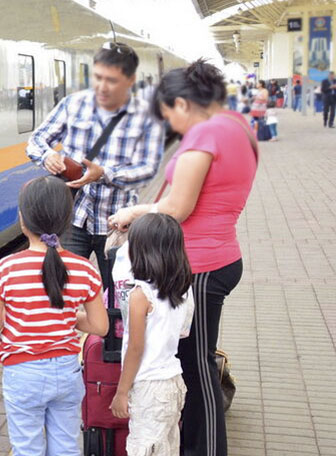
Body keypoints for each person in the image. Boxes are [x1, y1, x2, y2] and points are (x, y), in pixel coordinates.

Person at [110, 59, 258, 456]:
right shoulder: (236, 125)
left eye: (169, 114)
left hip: (204, 264)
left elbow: (177, 208)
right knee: (196, 364)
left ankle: (207, 449)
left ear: (184, 103)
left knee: (198, 369)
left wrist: (133, 214)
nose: (171, 126)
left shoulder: (206, 134)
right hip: (213, 256)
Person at [0, 175, 109, 456]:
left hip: (23, 373)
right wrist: (70, 317)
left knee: (27, 449)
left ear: (22, 219)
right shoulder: (84, 269)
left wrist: (22, 314)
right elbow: (100, 326)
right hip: (66, 372)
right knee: (65, 447)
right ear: (68, 220)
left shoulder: (7, 268)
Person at [25, 41, 166, 296]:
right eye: (97, 77)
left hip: (117, 224)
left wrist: (105, 174)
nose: (102, 86)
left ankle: (109, 336)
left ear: (130, 80)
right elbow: (36, 140)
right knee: (61, 291)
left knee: (117, 295)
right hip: (73, 218)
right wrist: (47, 156)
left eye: (111, 80)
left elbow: (147, 170)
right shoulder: (73, 104)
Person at [109, 214, 194, 456]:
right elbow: (183, 330)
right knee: (167, 448)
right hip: (174, 381)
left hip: (149, 389)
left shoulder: (141, 294)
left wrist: (122, 392)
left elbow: (136, 348)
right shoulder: (184, 286)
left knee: (144, 449)